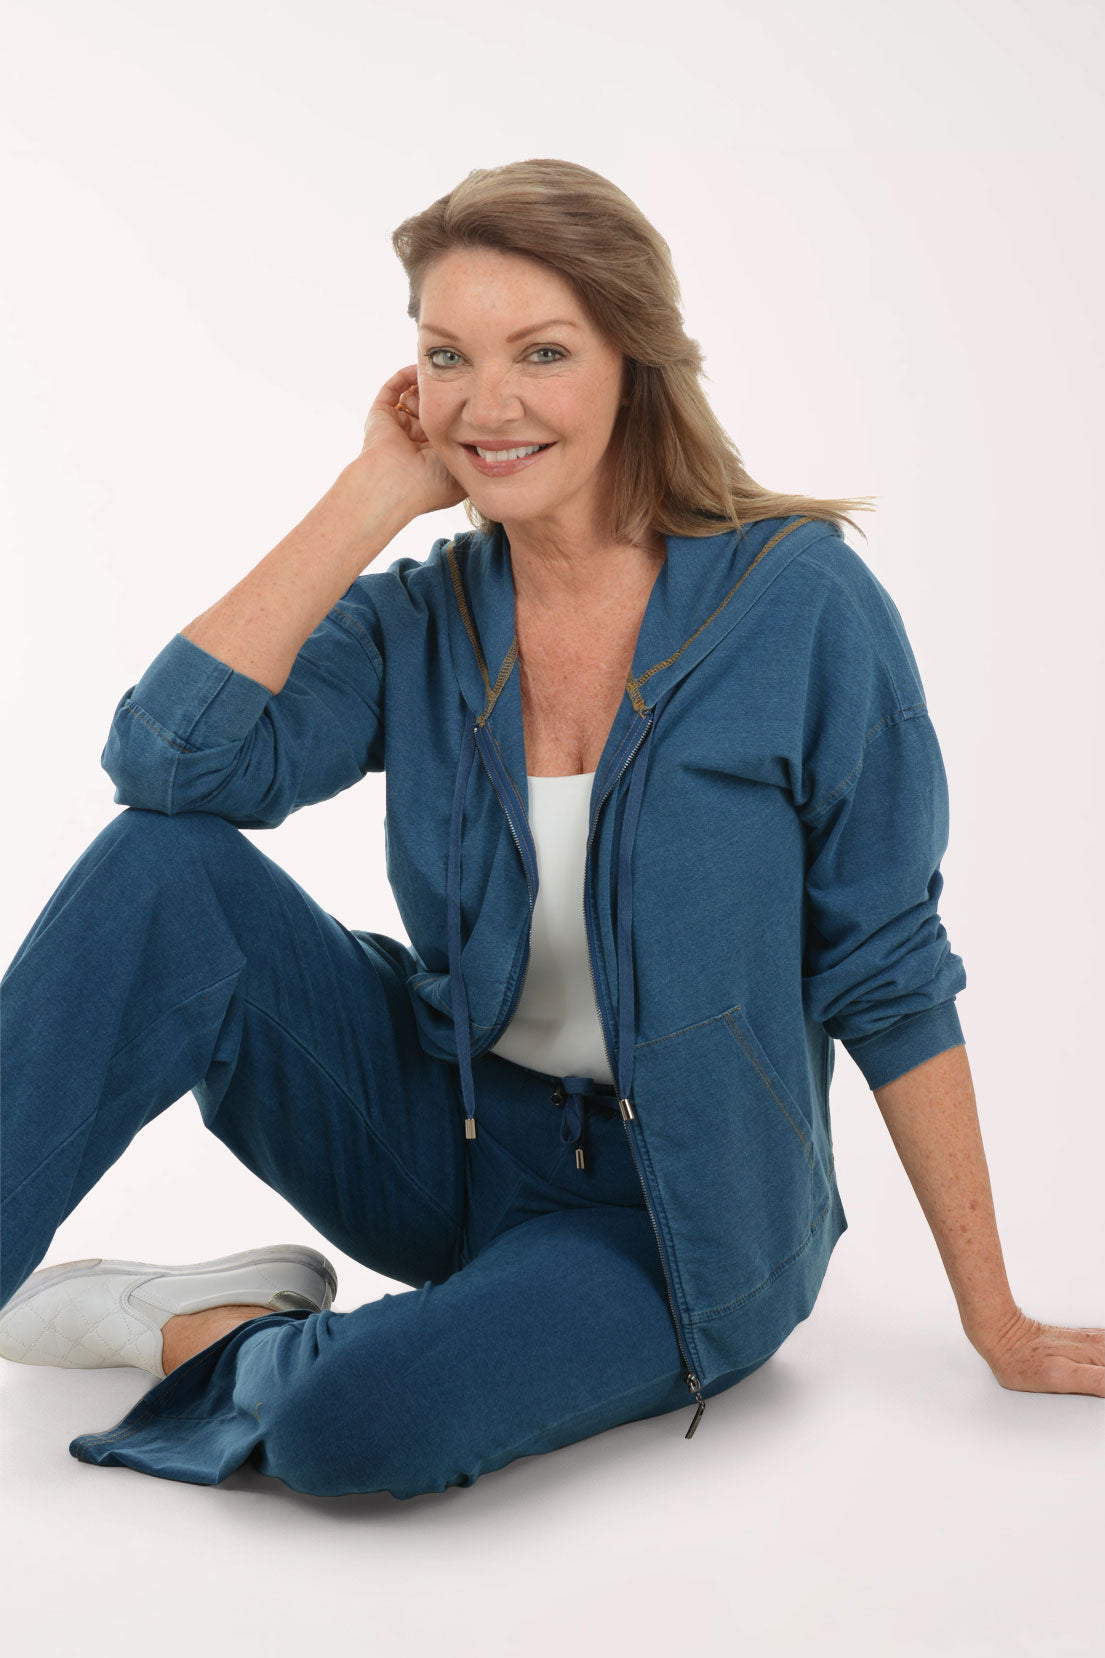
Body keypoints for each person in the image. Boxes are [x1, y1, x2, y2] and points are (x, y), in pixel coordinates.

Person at [1, 159, 1100, 1501]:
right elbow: (169, 765)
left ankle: (203, 1324)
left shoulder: (795, 605)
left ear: (632, 361)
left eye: (541, 352)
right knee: (158, 871)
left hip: (665, 1222)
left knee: (353, 1433)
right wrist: (368, 497)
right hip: (439, 1136)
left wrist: (997, 1320)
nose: (490, 402)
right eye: (446, 356)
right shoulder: (427, 613)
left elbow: (886, 965)